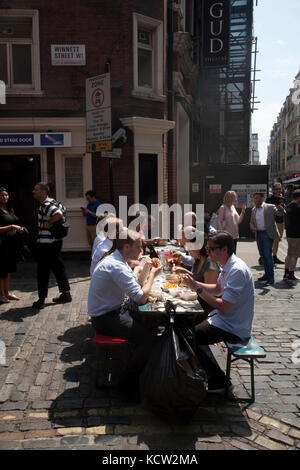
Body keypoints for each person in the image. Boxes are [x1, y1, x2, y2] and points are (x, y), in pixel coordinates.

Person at [88, 228, 162, 397]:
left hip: (115, 310)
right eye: (138, 247)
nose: (141, 251)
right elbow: (140, 298)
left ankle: (146, 369)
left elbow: (135, 285)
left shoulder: (118, 259)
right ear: (126, 247)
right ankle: (128, 385)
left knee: (151, 324)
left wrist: (145, 269)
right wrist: (153, 276)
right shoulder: (116, 265)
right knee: (149, 340)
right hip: (105, 318)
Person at [180, 231, 255, 393]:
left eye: (211, 249)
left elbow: (223, 306)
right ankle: (199, 371)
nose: (208, 252)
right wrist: (193, 283)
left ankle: (219, 381)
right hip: (224, 319)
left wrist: (198, 289)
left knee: (189, 336)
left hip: (233, 326)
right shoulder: (227, 265)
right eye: (207, 249)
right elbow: (218, 288)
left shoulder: (236, 270)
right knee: (185, 327)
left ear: (224, 249)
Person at [32, 182, 71, 309]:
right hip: (55, 241)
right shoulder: (53, 201)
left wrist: (48, 222)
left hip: (46, 244)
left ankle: (41, 300)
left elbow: (58, 214)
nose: (33, 192)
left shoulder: (46, 204)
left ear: (43, 192)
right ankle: (66, 294)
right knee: (58, 267)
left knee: (42, 271)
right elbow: (60, 211)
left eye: (36, 190)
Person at [171, 227, 221, 315]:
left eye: (189, 246)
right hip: (195, 299)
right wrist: (184, 271)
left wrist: (188, 283)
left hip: (205, 307)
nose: (187, 250)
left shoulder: (210, 262)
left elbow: (212, 290)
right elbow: (197, 276)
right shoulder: (198, 259)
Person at [250, 193, 284, 286]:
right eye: (254, 198)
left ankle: (271, 278)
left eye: (257, 198)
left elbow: (279, 214)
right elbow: (252, 222)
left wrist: (282, 210)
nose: (255, 200)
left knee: (268, 255)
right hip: (259, 234)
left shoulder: (270, 207)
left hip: (267, 234)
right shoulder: (253, 210)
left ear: (262, 198)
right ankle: (266, 274)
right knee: (262, 256)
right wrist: (253, 227)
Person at [0, 187, 25, 303]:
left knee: (8, 268)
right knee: (1, 270)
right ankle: (1, 295)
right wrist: (11, 227)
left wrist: (19, 229)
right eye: (2, 195)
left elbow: (14, 222)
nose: (4, 197)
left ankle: (7, 292)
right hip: (1, 243)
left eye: (6, 195)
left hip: (10, 244)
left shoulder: (9, 209)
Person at [266, 183, 286, 265]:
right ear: (273, 190)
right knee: (272, 240)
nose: (278, 190)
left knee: (277, 240)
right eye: (277, 189)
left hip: (280, 221)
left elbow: (285, 209)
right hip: (272, 222)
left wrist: (282, 208)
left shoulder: (282, 199)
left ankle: (274, 256)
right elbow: (266, 210)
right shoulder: (269, 199)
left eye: (279, 189)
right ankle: (266, 257)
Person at [283, 189, 300, 281]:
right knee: (295, 255)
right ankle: (291, 273)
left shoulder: (288, 206)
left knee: (289, 254)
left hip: (289, 234)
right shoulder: (297, 208)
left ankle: (286, 273)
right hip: (296, 234)